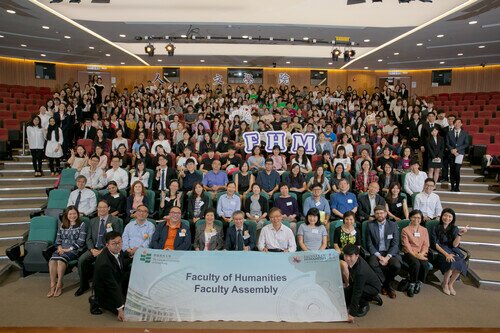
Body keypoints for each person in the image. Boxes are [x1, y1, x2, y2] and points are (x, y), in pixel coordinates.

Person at [75, 200, 122, 296]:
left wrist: (102, 250)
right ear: (97, 208)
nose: (102, 209)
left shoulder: (115, 220)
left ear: (108, 208)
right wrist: (92, 249)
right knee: (81, 260)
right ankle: (84, 285)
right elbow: (88, 238)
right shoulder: (92, 221)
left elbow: (116, 240)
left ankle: (100, 289)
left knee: (100, 263)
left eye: (104, 207)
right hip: (94, 248)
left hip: (107, 249)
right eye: (100, 207)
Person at [47, 206, 86, 297]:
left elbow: (81, 242)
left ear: (77, 214)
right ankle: (52, 285)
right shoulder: (62, 224)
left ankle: (59, 284)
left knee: (60, 261)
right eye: (70, 214)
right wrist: (60, 247)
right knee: (52, 261)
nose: (72, 216)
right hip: (61, 249)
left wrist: (68, 249)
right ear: (66, 215)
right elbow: (58, 239)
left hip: (74, 250)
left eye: (74, 213)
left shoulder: (82, 224)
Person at [92, 231, 130, 321]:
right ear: (107, 245)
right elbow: (112, 286)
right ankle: (95, 301)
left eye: (120, 242)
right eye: (114, 243)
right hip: (106, 290)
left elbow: (120, 262)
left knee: (131, 273)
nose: (118, 245)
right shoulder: (104, 263)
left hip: (116, 278)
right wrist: (120, 309)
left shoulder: (116, 250)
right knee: (125, 310)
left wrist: (133, 257)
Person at [431, 208, 469, 296]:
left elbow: (455, 245)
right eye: (445, 215)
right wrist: (446, 254)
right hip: (440, 250)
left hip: (452, 249)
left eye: (449, 216)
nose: (447, 218)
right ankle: (445, 283)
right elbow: (436, 244)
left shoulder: (454, 228)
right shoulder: (435, 227)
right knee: (451, 262)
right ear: (441, 216)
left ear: (453, 218)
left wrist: (460, 234)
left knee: (460, 262)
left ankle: (450, 284)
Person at [366, 205, 401, 299]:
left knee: (396, 265)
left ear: (385, 213)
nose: (379, 215)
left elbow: (395, 244)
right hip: (377, 252)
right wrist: (379, 256)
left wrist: (387, 257)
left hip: (390, 252)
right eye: (377, 213)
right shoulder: (370, 225)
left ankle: (385, 284)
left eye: (381, 213)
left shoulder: (393, 225)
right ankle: (388, 286)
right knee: (372, 264)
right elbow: (369, 244)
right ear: (375, 215)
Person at [343, 244, 382, 321]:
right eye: (346, 255)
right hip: (363, 283)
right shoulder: (354, 260)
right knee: (345, 294)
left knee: (355, 293)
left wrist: (351, 314)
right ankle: (371, 297)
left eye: (350, 256)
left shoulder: (361, 272)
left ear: (357, 256)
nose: (347, 259)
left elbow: (357, 292)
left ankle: (365, 304)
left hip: (373, 287)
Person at [401, 209, 430, 297]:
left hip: (421, 253)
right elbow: (406, 245)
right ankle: (412, 284)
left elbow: (426, 244)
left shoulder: (424, 230)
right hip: (409, 253)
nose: (416, 219)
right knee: (416, 264)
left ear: (421, 219)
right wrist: (416, 255)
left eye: (419, 218)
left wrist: (422, 253)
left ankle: (419, 282)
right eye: (414, 217)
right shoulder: (405, 230)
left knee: (425, 265)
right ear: (410, 217)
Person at [333, 211, 361, 286]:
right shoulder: (338, 230)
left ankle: (358, 283)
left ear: (354, 220)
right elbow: (335, 244)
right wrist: (338, 250)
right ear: (344, 219)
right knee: (344, 265)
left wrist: (355, 254)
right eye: (347, 219)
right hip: (342, 253)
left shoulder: (357, 231)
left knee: (357, 263)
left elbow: (358, 245)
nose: (349, 221)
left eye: (351, 219)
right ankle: (348, 284)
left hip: (353, 254)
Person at [447, 118, 469, 192]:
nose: (457, 124)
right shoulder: (449, 133)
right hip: (451, 154)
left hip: (460, 154)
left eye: (459, 123)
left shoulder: (464, 133)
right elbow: (447, 143)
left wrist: (457, 149)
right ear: (453, 123)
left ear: (461, 124)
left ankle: (457, 186)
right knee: (452, 170)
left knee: (457, 170)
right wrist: (452, 150)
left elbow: (466, 144)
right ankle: (452, 186)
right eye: (455, 122)